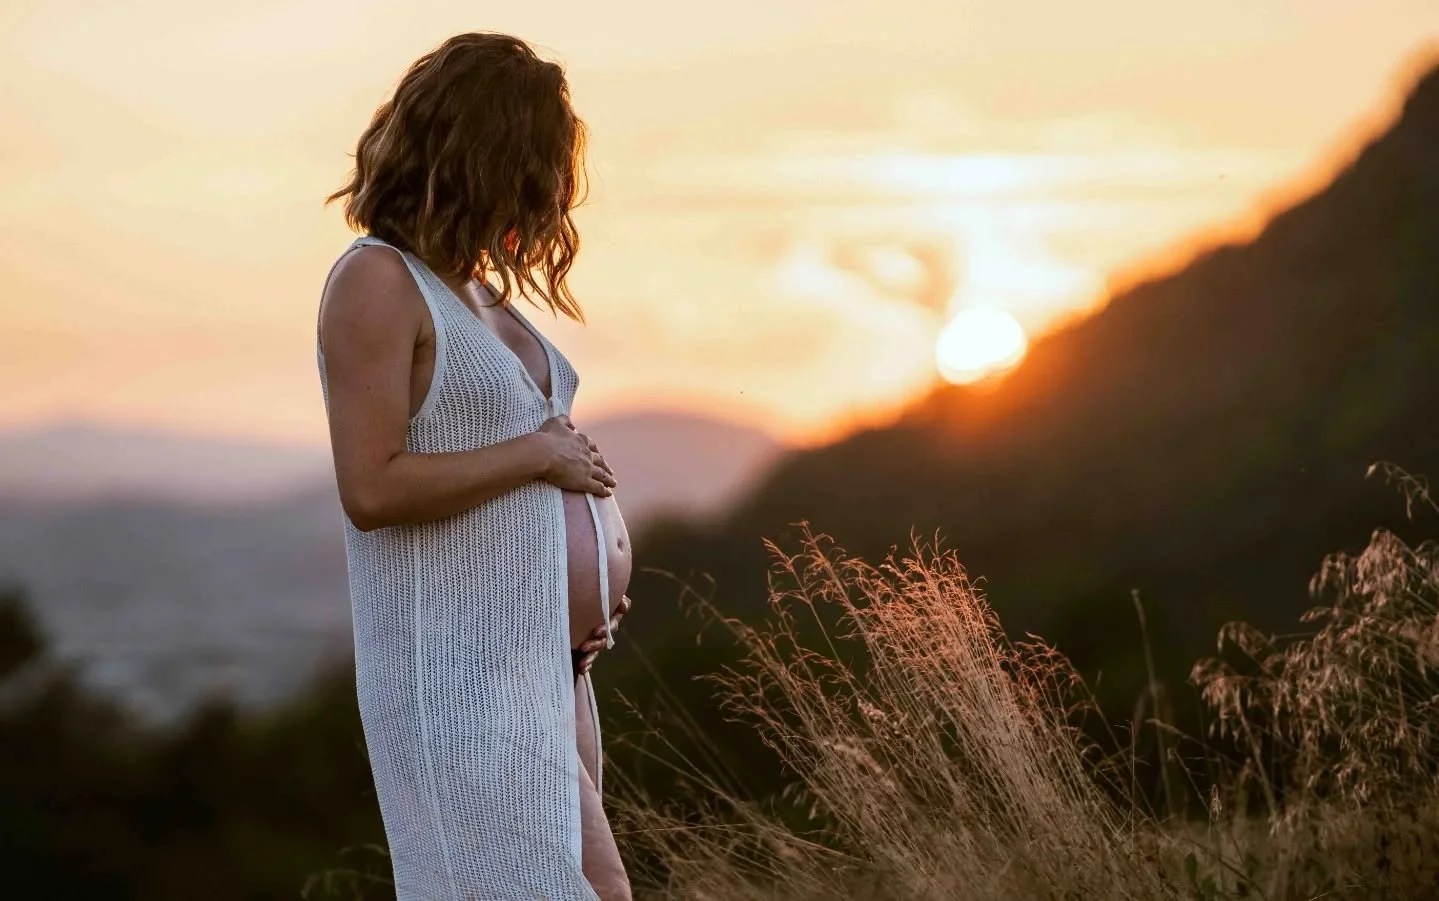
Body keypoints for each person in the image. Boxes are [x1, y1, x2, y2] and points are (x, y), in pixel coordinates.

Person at [315, 31, 634, 900]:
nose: (549, 196)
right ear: (480, 153)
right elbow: (371, 486)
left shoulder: (480, 291)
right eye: (535, 165)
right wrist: (538, 452)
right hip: (459, 686)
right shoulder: (377, 281)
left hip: (546, 670)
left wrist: (576, 592)